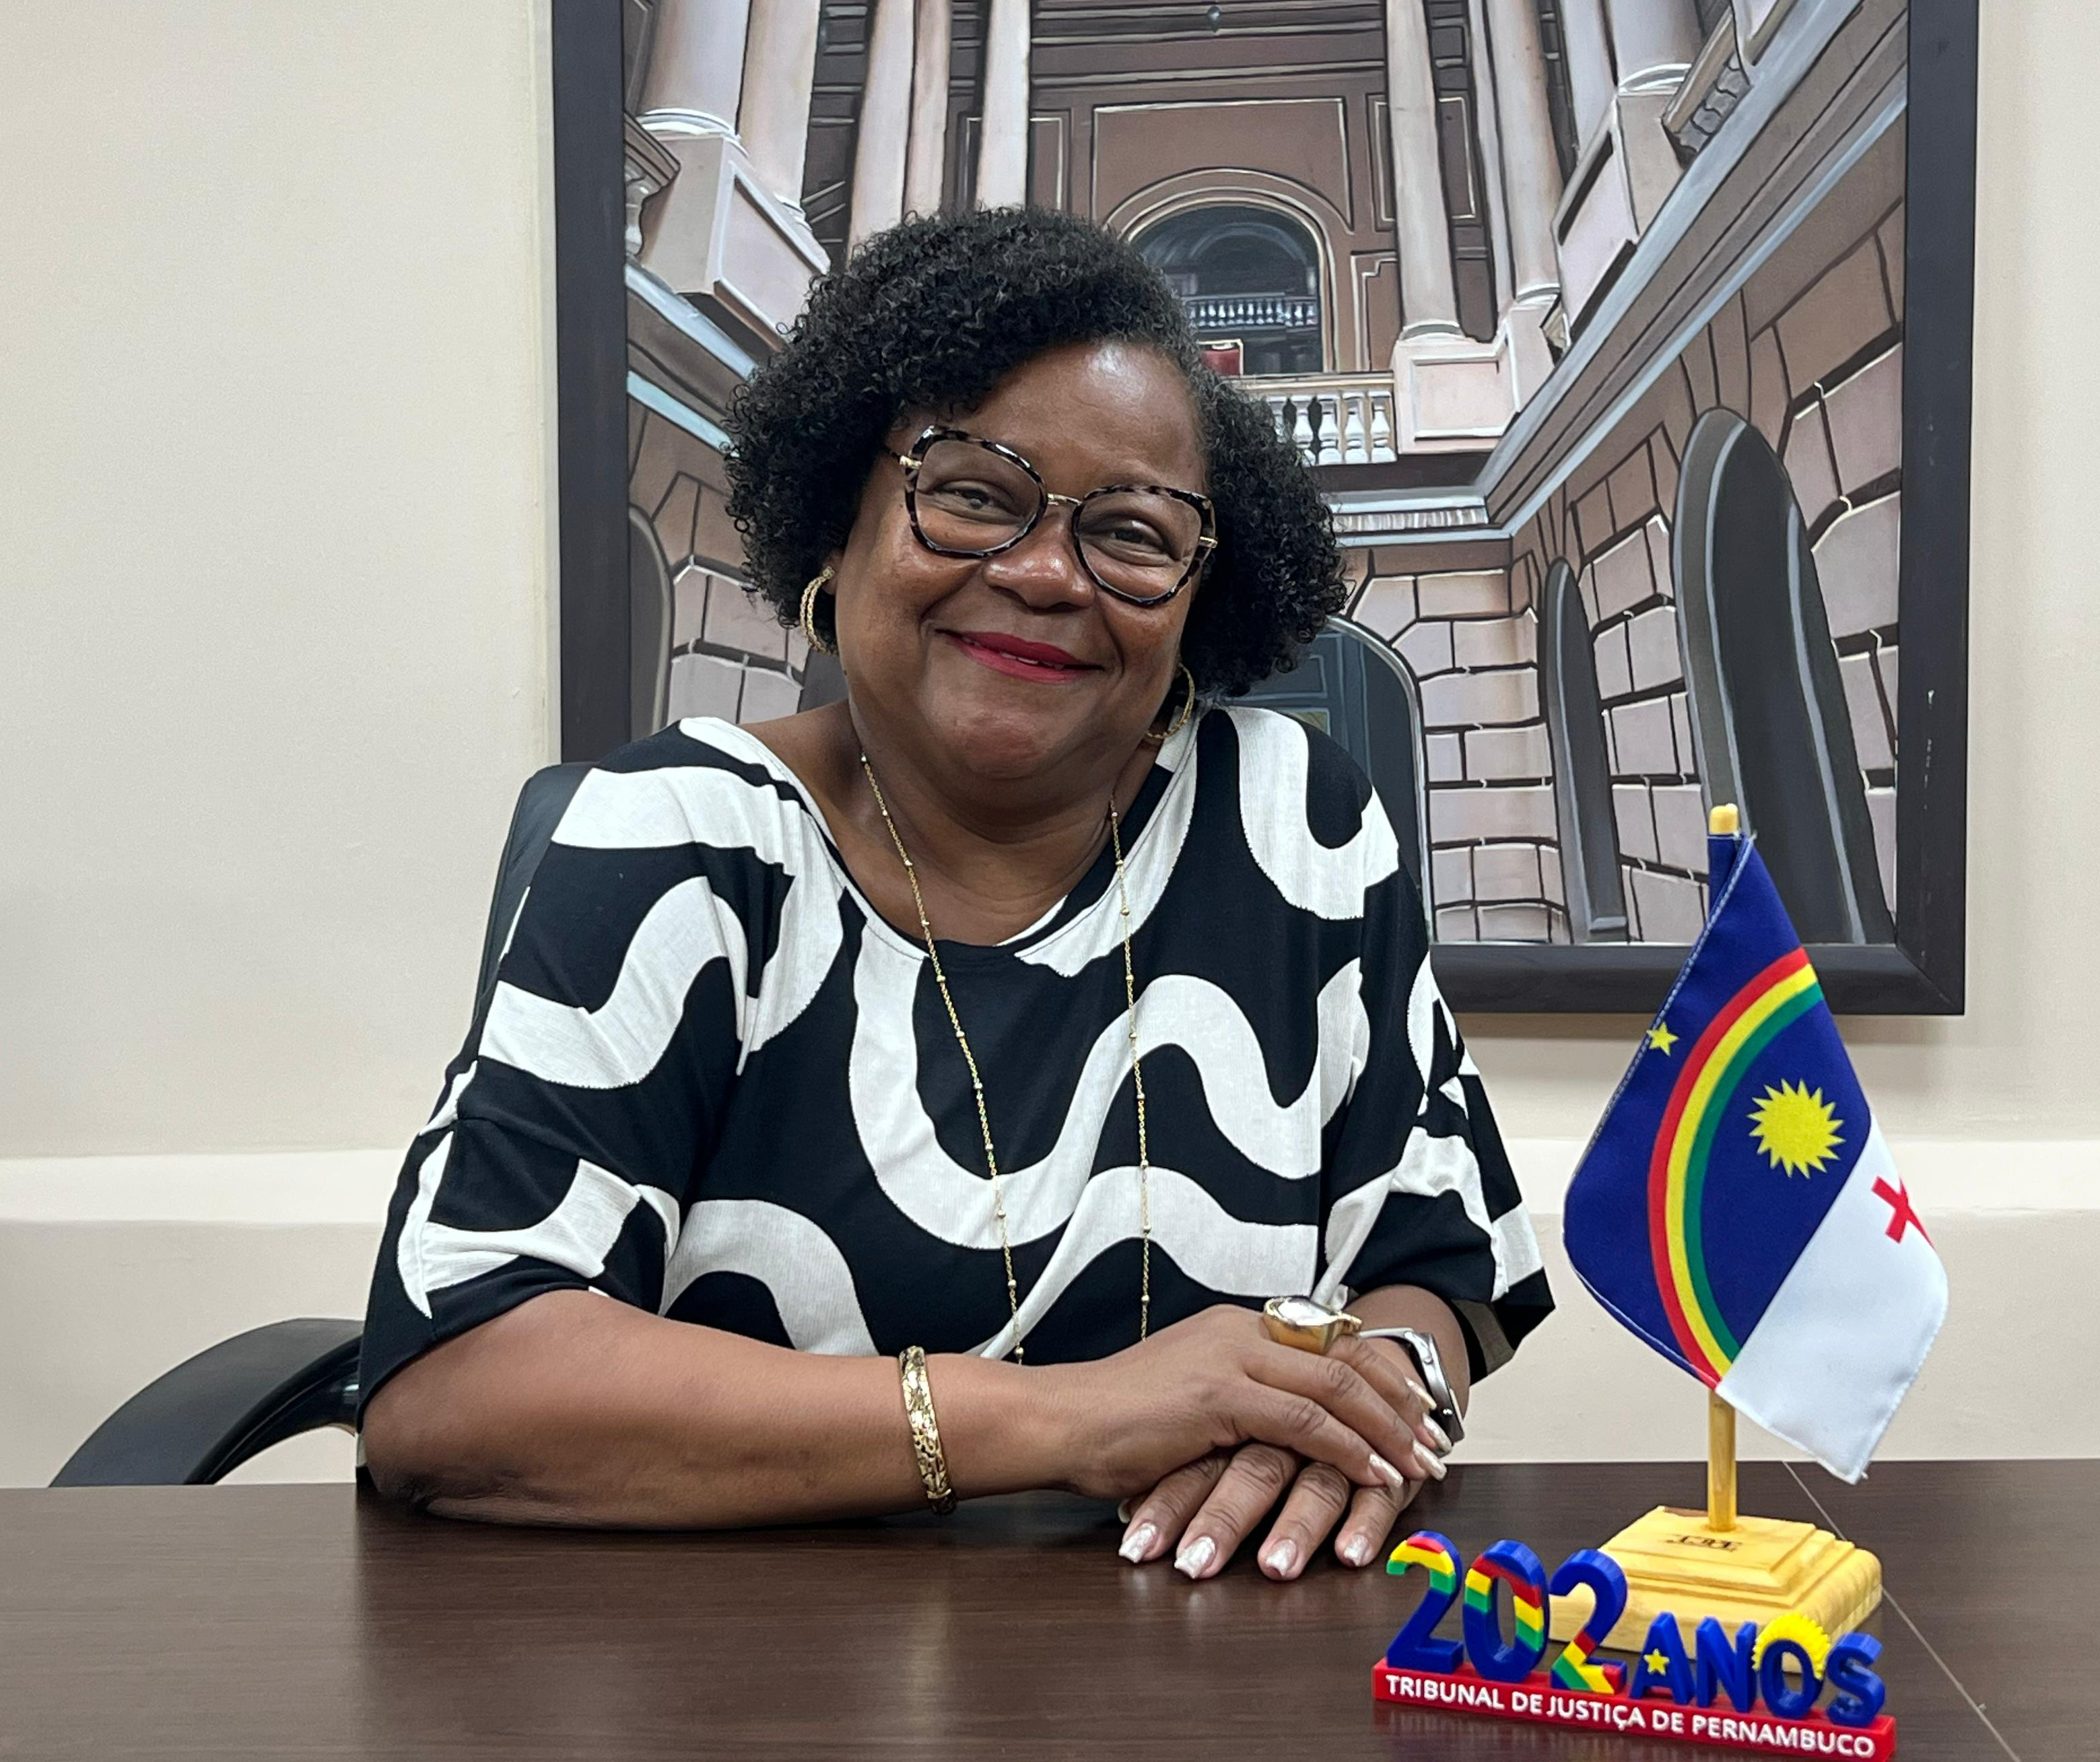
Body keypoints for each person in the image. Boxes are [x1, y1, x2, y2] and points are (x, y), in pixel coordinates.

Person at [359, 207, 1550, 1581]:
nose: (1047, 573)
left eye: (1134, 531)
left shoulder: (1298, 817)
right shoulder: (677, 837)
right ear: (842, 519)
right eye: (975, 494)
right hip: (730, 1668)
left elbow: (1439, 1255)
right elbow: (458, 1385)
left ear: (1198, 597)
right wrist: (1069, 1418)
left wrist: (1359, 1401)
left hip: (1206, 1657)